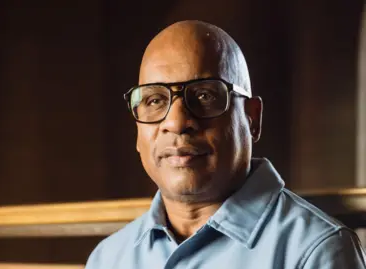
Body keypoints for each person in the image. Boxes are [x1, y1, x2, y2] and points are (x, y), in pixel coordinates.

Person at [85, 20, 366, 268]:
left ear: (252, 118)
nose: (177, 122)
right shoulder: (108, 258)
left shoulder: (314, 253)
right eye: (155, 100)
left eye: (205, 96)